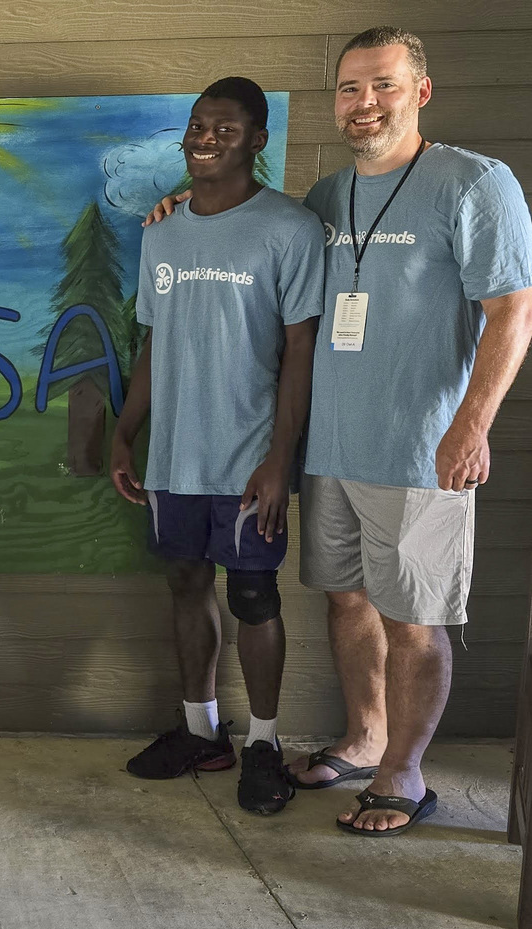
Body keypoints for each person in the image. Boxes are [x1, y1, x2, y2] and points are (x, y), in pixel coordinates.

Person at [147, 27, 532, 835]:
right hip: (330, 447)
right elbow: (247, 226)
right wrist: (180, 207)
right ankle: (364, 740)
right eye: (351, 89)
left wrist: (472, 424)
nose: (365, 104)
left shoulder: (473, 183)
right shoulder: (323, 199)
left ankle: (405, 775)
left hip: (420, 446)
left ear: (419, 92)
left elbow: (513, 310)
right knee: (347, 602)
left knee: (414, 618)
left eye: (383, 86)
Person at [112, 78, 323, 814]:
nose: (205, 137)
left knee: (253, 591)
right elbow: (152, 343)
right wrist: (124, 432)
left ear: (257, 141)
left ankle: (263, 742)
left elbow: (300, 351)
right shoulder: (161, 232)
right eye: (198, 125)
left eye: (224, 128)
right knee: (183, 581)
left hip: (248, 459)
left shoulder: (289, 230)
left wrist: (278, 458)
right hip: (175, 454)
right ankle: (202, 729)